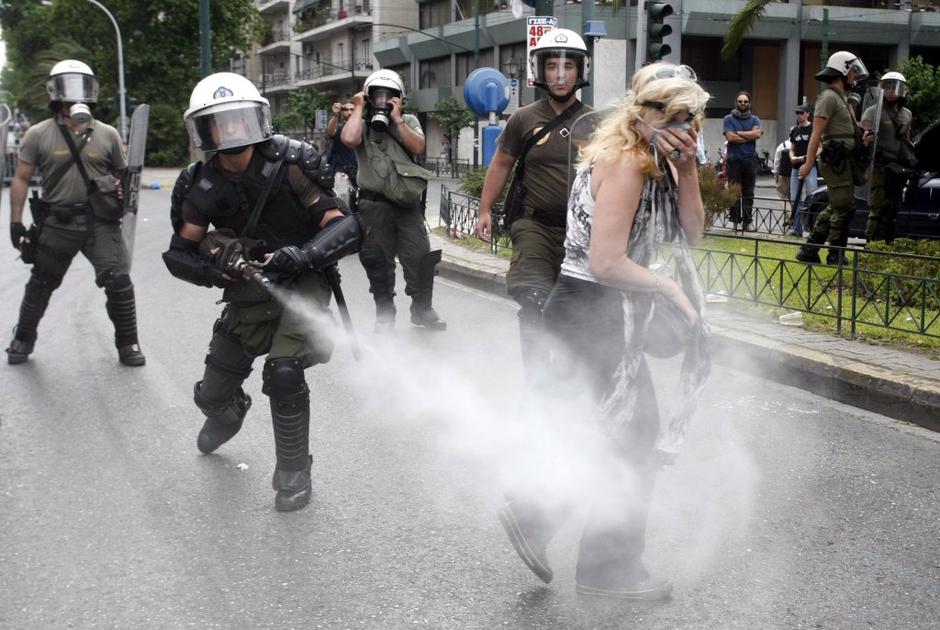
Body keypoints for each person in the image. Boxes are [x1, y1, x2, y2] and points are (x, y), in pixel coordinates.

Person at [496, 62, 711, 602]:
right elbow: (606, 262)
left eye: (693, 119)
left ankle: (537, 517)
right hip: (589, 306)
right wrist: (667, 287)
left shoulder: (656, 160)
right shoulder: (626, 164)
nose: (687, 129)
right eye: (677, 117)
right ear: (645, 114)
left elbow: (694, 233)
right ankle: (602, 567)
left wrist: (688, 170)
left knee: (613, 432)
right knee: (632, 437)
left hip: (604, 310)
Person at [162, 72, 362, 512]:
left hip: (303, 281)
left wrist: (303, 255)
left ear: (255, 119)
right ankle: (228, 411)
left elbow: (345, 225)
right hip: (247, 289)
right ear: (205, 130)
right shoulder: (200, 183)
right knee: (209, 396)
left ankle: (294, 472)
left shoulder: (292, 163)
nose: (232, 130)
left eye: (238, 118)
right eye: (220, 122)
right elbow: (179, 253)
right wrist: (214, 269)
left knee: (284, 371)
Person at [6, 59, 145, 366]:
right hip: (57, 222)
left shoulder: (107, 134)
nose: (74, 94)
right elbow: (21, 178)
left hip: (100, 222)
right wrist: (15, 222)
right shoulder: (38, 134)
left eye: (81, 86)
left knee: (119, 282)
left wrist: (123, 190)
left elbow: (124, 175)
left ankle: (129, 343)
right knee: (41, 282)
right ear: (55, 93)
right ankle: (23, 338)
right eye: (67, 87)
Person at [473, 28, 591, 379]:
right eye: (552, 65)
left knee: (575, 308)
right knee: (534, 297)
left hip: (580, 232)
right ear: (539, 70)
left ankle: (570, 380)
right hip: (533, 224)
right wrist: (484, 210)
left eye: (568, 66)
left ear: (580, 70)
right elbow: (501, 165)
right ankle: (538, 383)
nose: (559, 74)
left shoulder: (596, 122)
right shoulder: (524, 118)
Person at [340, 69, 446, 332]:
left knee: (419, 256)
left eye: (389, 96)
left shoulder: (407, 120)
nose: (383, 100)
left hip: (406, 204)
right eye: (377, 95)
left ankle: (422, 309)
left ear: (399, 98)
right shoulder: (360, 122)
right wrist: (358, 108)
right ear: (369, 96)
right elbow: (349, 139)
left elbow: (418, 147)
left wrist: (396, 119)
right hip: (373, 204)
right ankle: (384, 314)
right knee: (377, 260)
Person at [796, 51, 870, 265]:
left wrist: (863, 138)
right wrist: (808, 163)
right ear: (842, 71)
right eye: (852, 72)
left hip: (844, 161)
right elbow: (816, 134)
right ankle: (834, 254)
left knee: (839, 206)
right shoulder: (828, 97)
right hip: (836, 161)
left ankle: (810, 250)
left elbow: (846, 132)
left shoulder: (842, 99)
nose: (854, 77)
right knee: (843, 207)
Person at [862, 71, 913, 244]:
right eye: (888, 87)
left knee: (893, 209)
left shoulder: (907, 114)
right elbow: (864, 136)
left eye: (894, 87)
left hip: (898, 168)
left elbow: (906, 140)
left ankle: (887, 245)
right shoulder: (873, 112)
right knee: (877, 209)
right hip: (879, 166)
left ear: (902, 90)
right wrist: (866, 140)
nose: (891, 90)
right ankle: (871, 246)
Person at [723, 90, 762, 230]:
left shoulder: (755, 119)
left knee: (748, 192)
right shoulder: (728, 119)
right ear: (736, 103)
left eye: (745, 101)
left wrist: (738, 133)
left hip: (750, 161)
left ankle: (747, 222)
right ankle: (734, 221)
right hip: (733, 160)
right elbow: (730, 137)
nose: (743, 103)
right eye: (740, 101)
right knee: (734, 192)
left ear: (749, 103)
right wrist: (749, 136)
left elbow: (757, 134)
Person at [788, 104, 817, 236]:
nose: (799, 115)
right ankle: (796, 229)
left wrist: (810, 158)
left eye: (801, 112)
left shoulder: (813, 128)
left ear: (807, 114)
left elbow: (820, 147)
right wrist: (792, 157)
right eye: (797, 113)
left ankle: (812, 230)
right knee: (795, 198)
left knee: (812, 198)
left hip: (810, 166)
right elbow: (792, 149)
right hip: (796, 168)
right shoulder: (795, 130)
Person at [326, 100, 358, 206]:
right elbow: (331, 132)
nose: (349, 112)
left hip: (361, 174)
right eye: (346, 110)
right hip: (343, 172)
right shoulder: (339, 128)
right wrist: (336, 115)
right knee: (342, 202)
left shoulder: (363, 128)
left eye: (352, 110)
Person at [773, 138, 792, 205]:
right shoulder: (801, 145)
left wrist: (776, 175)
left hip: (784, 174)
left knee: (782, 194)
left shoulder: (782, 145)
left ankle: (788, 210)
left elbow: (777, 162)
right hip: (798, 174)